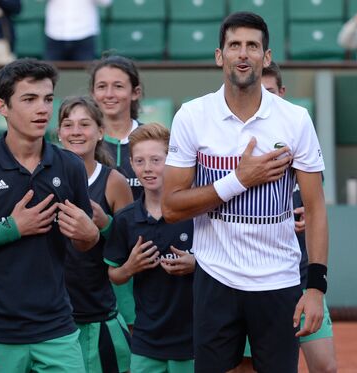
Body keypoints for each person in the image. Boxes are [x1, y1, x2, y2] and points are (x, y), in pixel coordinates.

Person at [162, 12, 329, 373]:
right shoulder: (192, 116)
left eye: (252, 46)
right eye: (234, 45)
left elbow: (315, 208)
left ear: (266, 57)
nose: (243, 54)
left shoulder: (295, 119)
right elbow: (172, 207)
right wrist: (238, 179)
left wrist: (316, 287)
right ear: (219, 56)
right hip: (215, 280)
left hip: (280, 281)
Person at [0, 58, 100, 373]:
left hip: (57, 329)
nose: (43, 109)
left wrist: (90, 235)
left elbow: (83, 243)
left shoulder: (70, 166)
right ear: (2, 107)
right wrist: (12, 228)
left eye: (48, 99)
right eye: (29, 99)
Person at [234, 62, 338, 373]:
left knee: (325, 366)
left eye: (269, 92)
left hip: (301, 278)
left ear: (282, 93)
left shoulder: (301, 141)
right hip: (253, 282)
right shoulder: (236, 150)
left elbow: (317, 207)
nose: (262, 99)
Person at [104, 123, 195, 373]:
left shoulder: (196, 213)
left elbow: (221, 265)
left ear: (172, 161)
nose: (148, 168)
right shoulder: (125, 219)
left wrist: (196, 264)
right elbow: (114, 275)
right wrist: (130, 267)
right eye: (140, 161)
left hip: (193, 341)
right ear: (131, 164)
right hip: (146, 342)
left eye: (156, 160)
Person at [57, 95, 133, 373]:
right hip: (52, 318)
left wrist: (106, 225)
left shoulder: (114, 181)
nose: (76, 131)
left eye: (85, 124)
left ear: (101, 132)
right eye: (68, 124)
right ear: (59, 133)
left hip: (99, 312)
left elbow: (130, 250)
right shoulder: (43, 178)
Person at [89, 54, 145, 328]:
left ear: (135, 92)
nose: (109, 94)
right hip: (94, 268)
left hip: (146, 264)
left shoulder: (155, 141)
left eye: (118, 86)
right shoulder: (80, 147)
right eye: (101, 86)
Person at [45, 0, 112, 61]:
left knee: (85, 73)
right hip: (55, 33)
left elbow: (106, 2)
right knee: (50, 72)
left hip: (85, 33)